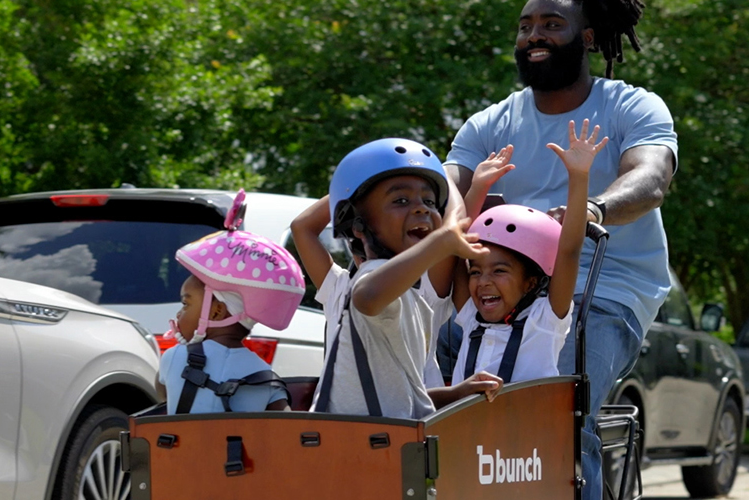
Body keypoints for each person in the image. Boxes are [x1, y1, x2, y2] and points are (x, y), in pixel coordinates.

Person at [443, 0, 677, 497]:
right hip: (507, 287)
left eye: (552, 24)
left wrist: (590, 210)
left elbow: (651, 178)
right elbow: (445, 191)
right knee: (427, 382)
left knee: (561, 411)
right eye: (525, 26)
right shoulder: (489, 123)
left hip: (606, 288)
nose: (534, 35)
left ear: (587, 38)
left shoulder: (631, 106)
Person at [290, 138, 501, 419]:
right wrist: (356, 181)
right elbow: (367, 296)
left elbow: (400, 400)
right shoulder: (369, 277)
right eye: (401, 200)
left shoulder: (415, 297)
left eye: (429, 201)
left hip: (387, 437)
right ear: (358, 226)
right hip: (357, 441)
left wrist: (455, 393)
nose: (422, 208)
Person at [449, 122, 606, 386]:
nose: (483, 281)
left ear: (531, 283)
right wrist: (478, 188)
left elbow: (569, 251)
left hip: (528, 415)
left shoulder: (544, 321)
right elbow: (455, 242)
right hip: (469, 416)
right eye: (475, 272)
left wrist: (579, 175)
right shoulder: (470, 317)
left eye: (499, 271)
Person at [157, 191, 305, 414]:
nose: (179, 315)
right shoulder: (267, 377)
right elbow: (285, 427)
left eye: (186, 304)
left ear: (217, 312)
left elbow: (163, 398)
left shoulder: (174, 358)